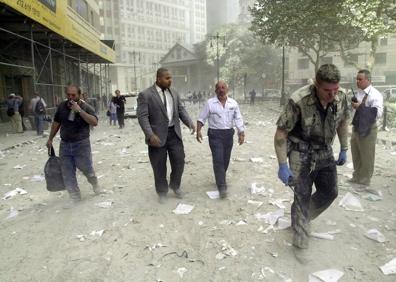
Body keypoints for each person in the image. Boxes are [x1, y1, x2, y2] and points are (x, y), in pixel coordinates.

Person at [274, 64, 349, 249]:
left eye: (335, 89)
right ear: (316, 84)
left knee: (330, 192)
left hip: (325, 150)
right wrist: (283, 165)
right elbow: (281, 134)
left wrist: (344, 148)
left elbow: (342, 122)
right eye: (327, 90)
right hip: (301, 152)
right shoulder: (299, 100)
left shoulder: (341, 97)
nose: (332, 95)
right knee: (302, 195)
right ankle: (300, 244)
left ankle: (302, 216)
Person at [137, 68, 195, 203]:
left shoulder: (174, 92)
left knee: (179, 161)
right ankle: (162, 191)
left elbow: (180, 110)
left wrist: (190, 123)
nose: (170, 81)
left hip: (174, 133)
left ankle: (175, 185)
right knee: (159, 166)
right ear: (158, 79)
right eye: (167, 78)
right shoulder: (145, 95)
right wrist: (150, 134)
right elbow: (143, 117)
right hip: (156, 137)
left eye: (171, 78)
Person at [46, 85, 104, 201]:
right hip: (65, 145)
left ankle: (94, 184)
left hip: (81, 145)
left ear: (79, 95)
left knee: (87, 169)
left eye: (73, 95)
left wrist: (79, 111)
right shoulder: (62, 106)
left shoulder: (86, 107)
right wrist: (50, 138)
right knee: (67, 172)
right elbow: (56, 123)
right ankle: (75, 197)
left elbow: (94, 122)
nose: (70, 97)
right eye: (68, 95)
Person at [196, 80, 245, 198]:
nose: (221, 90)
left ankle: (220, 177)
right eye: (219, 88)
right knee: (218, 159)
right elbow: (201, 118)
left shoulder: (233, 103)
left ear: (227, 90)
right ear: (215, 90)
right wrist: (198, 131)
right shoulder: (210, 103)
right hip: (215, 135)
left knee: (225, 160)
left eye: (223, 87)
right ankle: (222, 186)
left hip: (228, 134)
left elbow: (238, 118)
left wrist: (241, 133)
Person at [350, 69, 383, 186]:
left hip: (368, 128)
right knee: (356, 153)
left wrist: (361, 108)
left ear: (368, 80)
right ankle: (356, 175)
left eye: (360, 79)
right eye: (356, 79)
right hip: (357, 127)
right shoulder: (359, 92)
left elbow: (378, 113)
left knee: (367, 155)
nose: (357, 81)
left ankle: (365, 179)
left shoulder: (375, 94)